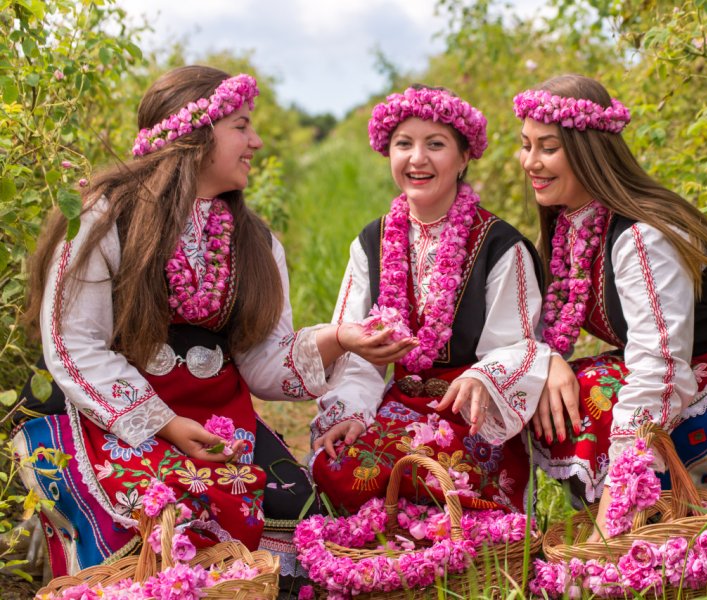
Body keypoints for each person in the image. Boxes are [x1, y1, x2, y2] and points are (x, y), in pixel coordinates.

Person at [11, 65, 411, 577]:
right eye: (241, 126)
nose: (256, 141)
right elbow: (74, 345)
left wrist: (338, 339)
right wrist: (166, 424)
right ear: (192, 134)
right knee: (158, 515)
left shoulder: (256, 243)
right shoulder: (104, 218)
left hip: (215, 417)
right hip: (115, 412)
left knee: (295, 507)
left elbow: (264, 365)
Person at [513, 75, 707, 539]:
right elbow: (529, 331)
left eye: (547, 148)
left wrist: (615, 507)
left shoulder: (642, 236)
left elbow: (658, 368)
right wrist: (547, 360)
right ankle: (652, 527)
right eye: (525, 145)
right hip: (701, 372)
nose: (530, 162)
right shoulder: (570, 228)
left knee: (596, 393)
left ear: (589, 151)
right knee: (554, 385)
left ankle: (638, 526)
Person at [309, 85, 552, 513]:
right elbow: (356, 352)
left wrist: (483, 379)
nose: (417, 159)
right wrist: (352, 412)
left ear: (463, 158)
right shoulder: (372, 241)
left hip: (470, 414)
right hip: (397, 406)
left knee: (436, 473)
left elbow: (519, 347)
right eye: (404, 144)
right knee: (341, 464)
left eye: (435, 145)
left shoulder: (498, 245)